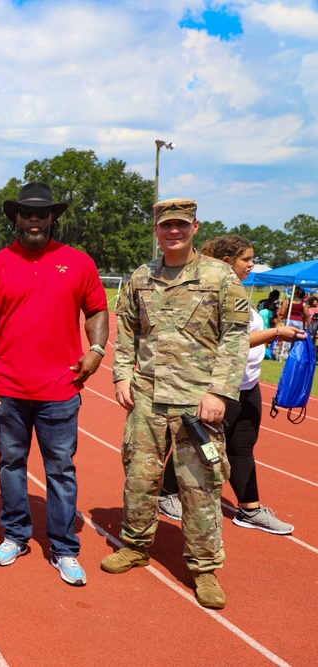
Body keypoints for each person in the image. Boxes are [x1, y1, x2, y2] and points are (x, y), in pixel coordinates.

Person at [102, 199, 249, 610]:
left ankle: (204, 568)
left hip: (195, 405)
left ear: (195, 227)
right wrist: (121, 375)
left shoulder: (220, 277)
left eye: (181, 225)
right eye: (166, 225)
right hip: (147, 400)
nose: (174, 232)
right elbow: (127, 331)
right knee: (139, 479)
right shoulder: (141, 277)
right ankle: (134, 545)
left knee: (200, 488)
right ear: (156, 229)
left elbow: (235, 338)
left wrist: (219, 390)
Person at [0, 182, 108, 587]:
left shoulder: (78, 262)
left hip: (60, 390)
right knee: (11, 464)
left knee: (61, 470)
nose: (34, 219)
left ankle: (64, 547)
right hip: (9, 390)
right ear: (16, 217)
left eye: (42, 213)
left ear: (53, 218)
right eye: (27, 213)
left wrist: (97, 350)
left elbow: (97, 310)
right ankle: (16, 534)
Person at [156, 236, 299, 535]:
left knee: (241, 447)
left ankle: (250, 510)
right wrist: (276, 332)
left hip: (248, 384)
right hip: (221, 385)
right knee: (198, 446)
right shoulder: (213, 293)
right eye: (246, 259)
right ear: (225, 262)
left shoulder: (241, 293)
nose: (251, 265)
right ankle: (167, 494)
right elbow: (232, 342)